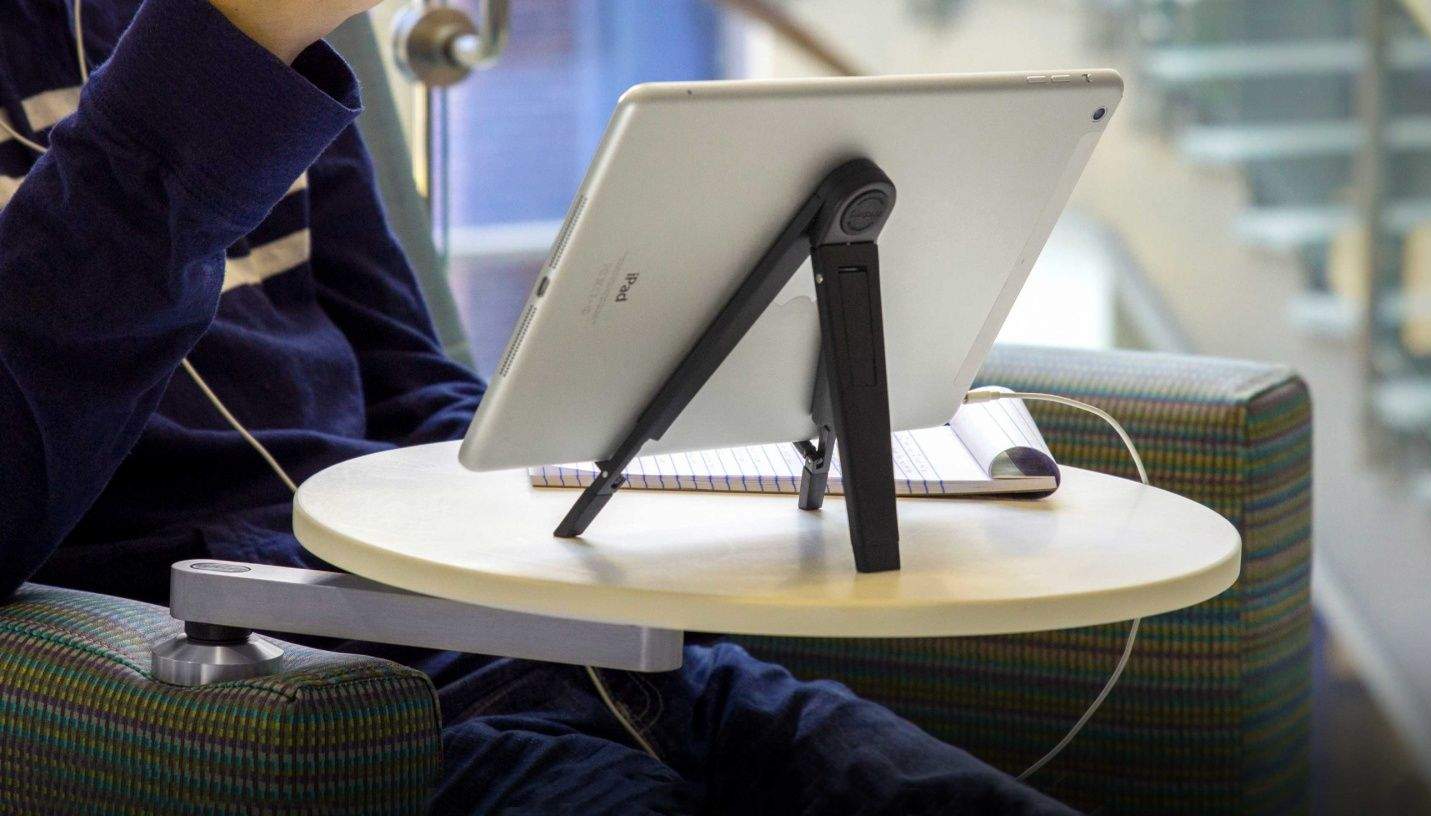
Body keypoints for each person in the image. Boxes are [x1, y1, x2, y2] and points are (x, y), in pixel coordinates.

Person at [0, 0, 1079, 813]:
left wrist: (591, 487)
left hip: (580, 651)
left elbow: (408, 375)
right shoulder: (236, 33)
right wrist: (234, 37)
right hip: (315, 699)